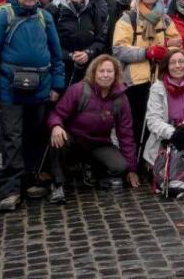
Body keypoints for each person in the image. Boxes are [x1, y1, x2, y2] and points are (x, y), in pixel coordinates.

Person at [0, 0, 65, 212]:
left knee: (35, 137)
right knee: (11, 139)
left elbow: (57, 56)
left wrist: (57, 86)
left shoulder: (44, 16)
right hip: (9, 90)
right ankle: (10, 190)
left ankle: (30, 180)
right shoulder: (2, 16)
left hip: (41, 89)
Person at [112, 0, 184, 157]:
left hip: (159, 79)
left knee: (156, 122)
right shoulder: (128, 18)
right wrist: (146, 52)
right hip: (135, 82)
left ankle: (151, 159)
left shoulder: (165, 19)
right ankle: (132, 158)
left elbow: (177, 43)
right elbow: (119, 49)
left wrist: (166, 48)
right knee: (135, 122)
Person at [47, 55, 138, 196]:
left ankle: (92, 170)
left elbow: (126, 134)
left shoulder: (121, 99)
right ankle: (58, 183)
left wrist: (131, 169)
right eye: (101, 71)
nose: (105, 75)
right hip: (74, 140)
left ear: (116, 74)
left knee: (120, 167)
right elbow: (56, 114)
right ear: (94, 73)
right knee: (58, 139)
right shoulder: (78, 90)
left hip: (99, 144)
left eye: (109, 71)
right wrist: (56, 126)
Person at [142, 49, 184, 172]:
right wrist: (173, 133)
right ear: (166, 66)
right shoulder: (157, 88)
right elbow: (153, 120)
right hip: (165, 133)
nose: (177, 66)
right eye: (173, 63)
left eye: (181, 62)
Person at [48, 0, 108, 87]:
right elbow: (48, 42)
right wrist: (69, 56)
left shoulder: (92, 9)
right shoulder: (54, 9)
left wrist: (88, 53)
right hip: (61, 70)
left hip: (88, 70)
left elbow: (100, 39)